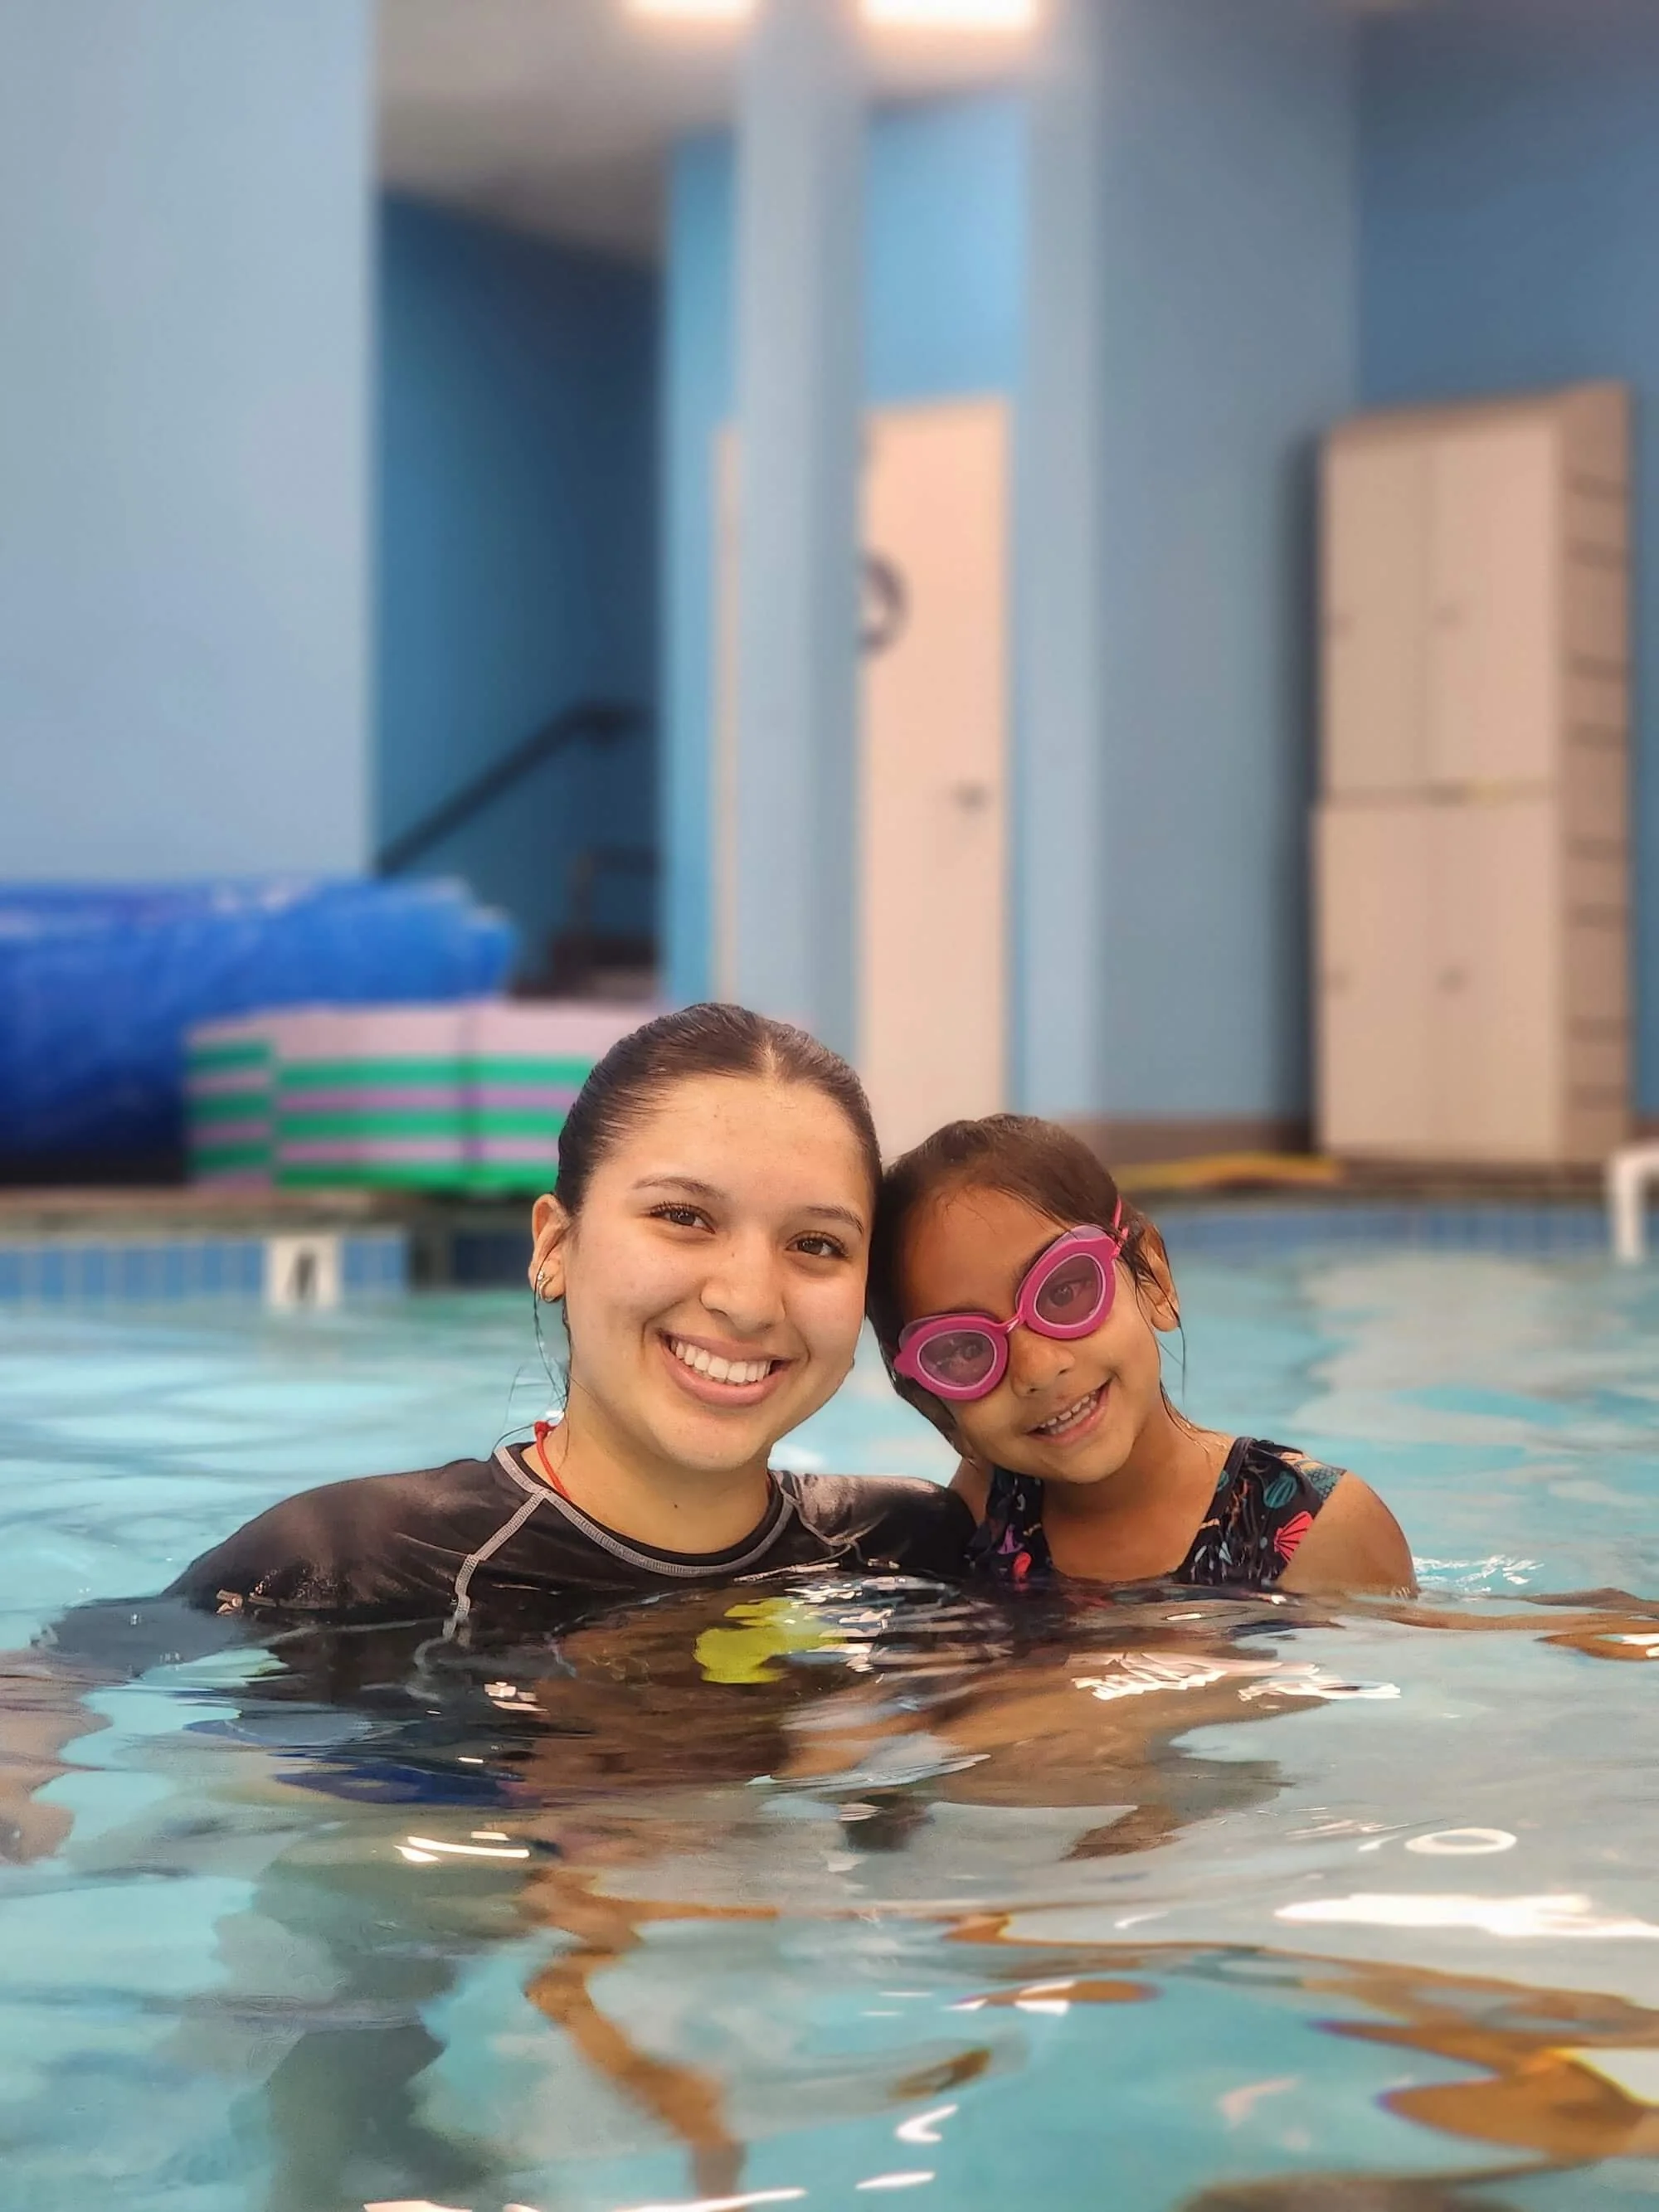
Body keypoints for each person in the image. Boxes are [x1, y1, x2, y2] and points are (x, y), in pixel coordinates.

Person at [153, 1003, 973, 1636]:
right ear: (554, 1245)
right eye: (683, 1216)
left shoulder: (909, 1548)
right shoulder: (343, 1565)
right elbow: (57, 1698)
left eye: (815, 1243)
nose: (749, 1300)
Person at [865, 1113, 1414, 1595]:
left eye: (1063, 1290)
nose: (1036, 1367)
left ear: (1152, 1278)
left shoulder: (1315, 1526)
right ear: (930, 1396)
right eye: (963, 1349)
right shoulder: (987, 1508)